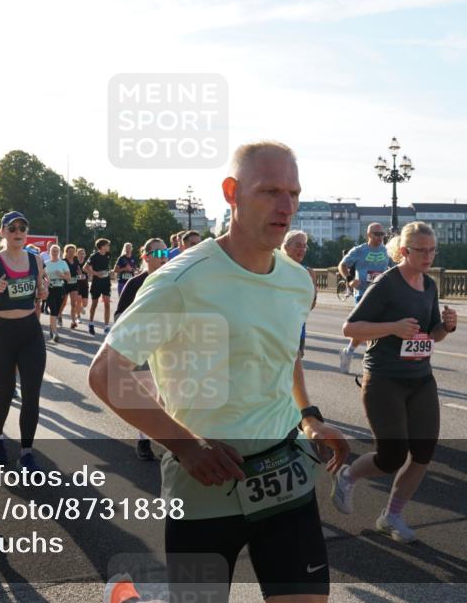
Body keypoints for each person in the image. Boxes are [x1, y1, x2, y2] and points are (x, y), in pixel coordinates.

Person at [90, 141, 349, 602]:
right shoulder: (181, 281)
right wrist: (186, 446)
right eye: (270, 191)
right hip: (205, 479)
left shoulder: (297, 280)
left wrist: (308, 416)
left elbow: (283, 352)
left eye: (294, 192)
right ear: (232, 192)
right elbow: (106, 373)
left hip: (283, 471)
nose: (287, 206)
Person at [332, 221, 457, 544]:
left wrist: (446, 326)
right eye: (421, 250)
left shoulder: (428, 286)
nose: (428, 256)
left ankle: (392, 516)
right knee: (391, 457)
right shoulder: (387, 284)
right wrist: (392, 327)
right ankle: (348, 475)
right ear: (404, 251)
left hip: (420, 378)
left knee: (424, 451)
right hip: (384, 378)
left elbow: (432, 336)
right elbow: (350, 329)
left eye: (432, 250)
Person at [0, 211, 49, 471]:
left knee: (32, 395)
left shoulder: (36, 261)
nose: (18, 232)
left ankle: (26, 451)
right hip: (2, 332)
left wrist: (42, 292)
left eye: (23, 227)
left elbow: (38, 294)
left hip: (30, 331)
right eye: (12, 228)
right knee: (6, 392)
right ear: (2, 232)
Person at [113, 237, 168, 461]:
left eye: (166, 253)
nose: (164, 258)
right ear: (145, 257)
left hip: (168, 347)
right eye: (158, 254)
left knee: (168, 395)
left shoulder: (173, 281)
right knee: (149, 395)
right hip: (143, 347)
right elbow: (118, 316)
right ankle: (144, 440)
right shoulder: (135, 283)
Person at [337, 223, 390, 374]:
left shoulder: (387, 251)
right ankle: (371, 361)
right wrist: (350, 279)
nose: (380, 237)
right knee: (367, 326)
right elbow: (342, 265)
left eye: (382, 234)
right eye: (377, 234)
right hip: (363, 293)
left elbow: (395, 268)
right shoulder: (359, 250)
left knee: (374, 327)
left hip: (382, 294)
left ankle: (348, 352)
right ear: (368, 235)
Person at [282, 230, 318, 357]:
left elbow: (311, 305)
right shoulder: (274, 268)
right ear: (286, 246)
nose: (302, 249)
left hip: (298, 329)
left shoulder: (308, 272)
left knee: (295, 366)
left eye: (304, 246)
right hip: (276, 329)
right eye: (298, 245)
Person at [83, 238, 113, 335]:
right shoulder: (94, 256)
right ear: (102, 246)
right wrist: (96, 273)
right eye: (107, 245)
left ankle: (106, 326)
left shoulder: (108, 255)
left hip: (106, 282)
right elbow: (85, 268)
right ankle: (91, 323)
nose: (109, 247)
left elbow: (107, 267)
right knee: (94, 303)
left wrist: (110, 272)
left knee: (107, 303)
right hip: (96, 283)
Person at [43, 244, 70, 343]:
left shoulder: (63, 263)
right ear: (49, 252)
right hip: (50, 289)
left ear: (59, 253)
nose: (54, 253)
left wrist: (62, 275)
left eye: (56, 251)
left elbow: (69, 277)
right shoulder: (45, 263)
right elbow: (42, 276)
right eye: (52, 251)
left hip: (60, 288)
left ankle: (52, 325)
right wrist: (45, 281)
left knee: (57, 310)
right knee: (53, 309)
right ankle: (55, 333)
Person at [63, 243, 81, 329]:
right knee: (64, 302)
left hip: (74, 283)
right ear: (66, 252)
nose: (71, 253)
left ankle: (73, 321)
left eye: (73, 252)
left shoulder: (76, 260)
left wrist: (80, 273)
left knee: (74, 303)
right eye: (69, 251)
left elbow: (78, 268)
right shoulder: (63, 261)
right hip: (65, 284)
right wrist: (66, 277)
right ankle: (59, 315)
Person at [74, 247, 89, 325]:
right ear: (77, 254)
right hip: (77, 285)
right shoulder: (75, 263)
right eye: (80, 254)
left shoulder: (87, 263)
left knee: (85, 304)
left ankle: (80, 308)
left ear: (85, 255)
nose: (82, 255)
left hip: (85, 285)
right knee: (79, 299)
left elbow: (89, 273)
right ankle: (78, 317)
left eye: (83, 254)